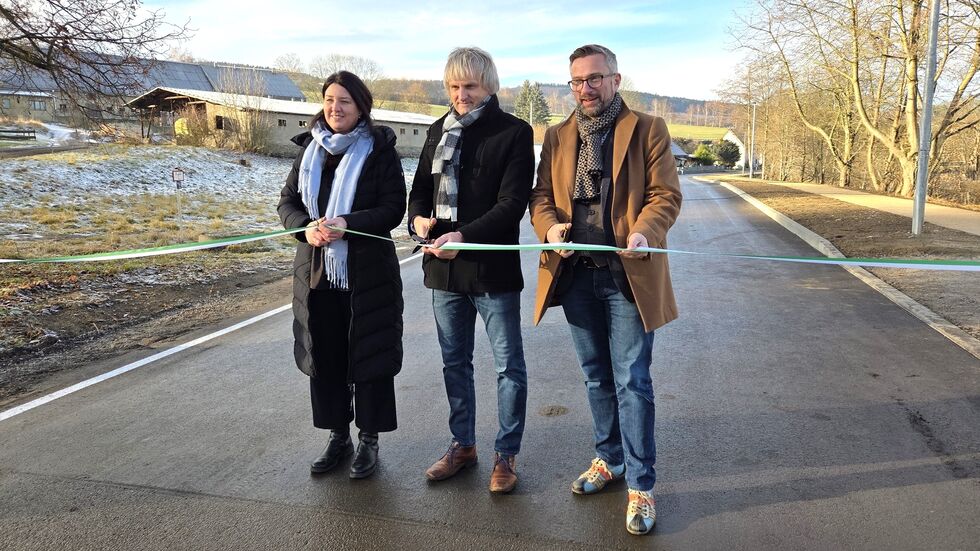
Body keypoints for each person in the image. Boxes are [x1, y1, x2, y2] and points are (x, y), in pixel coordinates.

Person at [529, 44, 682, 535]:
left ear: (616, 80)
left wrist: (646, 231)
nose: (585, 89)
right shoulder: (557, 135)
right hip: (574, 277)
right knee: (596, 377)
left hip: (627, 277)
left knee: (632, 381)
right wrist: (550, 229)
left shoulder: (648, 128)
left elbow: (665, 195)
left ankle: (641, 485)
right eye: (577, 81)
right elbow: (540, 199)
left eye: (595, 79)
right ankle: (608, 460)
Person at [407, 47, 534, 494]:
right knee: (454, 363)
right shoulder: (436, 129)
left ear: (489, 86)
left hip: (491, 269)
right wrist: (418, 220)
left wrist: (462, 236)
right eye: (454, 87)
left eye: (470, 86)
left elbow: (512, 204)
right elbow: (420, 191)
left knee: (507, 367)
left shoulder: (515, 132)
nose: (461, 95)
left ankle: (506, 453)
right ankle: (463, 445)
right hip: (442, 271)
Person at [278, 71, 406, 479]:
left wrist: (347, 223)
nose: (335, 108)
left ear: (361, 106)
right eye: (330, 100)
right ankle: (338, 436)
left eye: (345, 101)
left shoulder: (379, 149)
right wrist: (305, 227)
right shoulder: (309, 149)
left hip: (367, 274)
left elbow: (393, 208)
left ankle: (369, 438)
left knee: (369, 356)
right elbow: (287, 202)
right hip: (316, 274)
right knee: (326, 356)